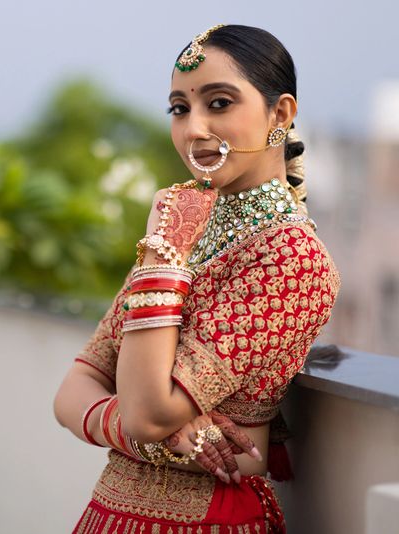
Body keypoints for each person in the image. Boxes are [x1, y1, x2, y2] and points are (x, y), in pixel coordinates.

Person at [53, 24, 341, 533]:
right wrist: (174, 436)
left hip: (211, 519)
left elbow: (147, 411)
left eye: (220, 102)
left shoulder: (293, 259)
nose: (193, 129)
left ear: (281, 114)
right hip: (110, 512)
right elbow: (73, 390)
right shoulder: (183, 232)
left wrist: (164, 253)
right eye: (180, 108)